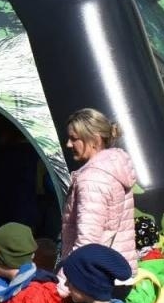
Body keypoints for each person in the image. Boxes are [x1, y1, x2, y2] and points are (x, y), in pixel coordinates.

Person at [58, 108, 137, 269]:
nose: (68, 144)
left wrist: (64, 283)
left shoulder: (93, 179)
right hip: (115, 269)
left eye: (74, 139)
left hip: (91, 277)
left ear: (95, 139)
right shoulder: (114, 166)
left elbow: (87, 240)